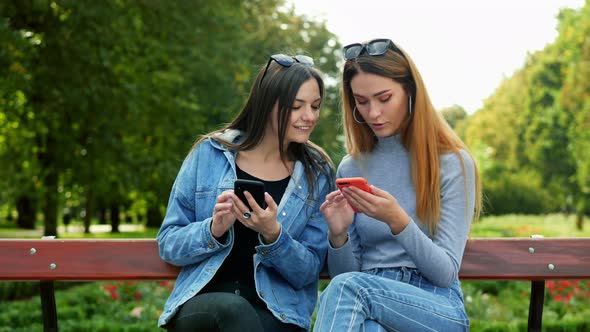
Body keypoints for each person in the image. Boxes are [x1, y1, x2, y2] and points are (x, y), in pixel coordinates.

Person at [313, 38, 482, 332]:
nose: (373, 113)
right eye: (361, 102)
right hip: (367, 297)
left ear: (410, 91)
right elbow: (345, 275)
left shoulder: (452, 162)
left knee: (350, 290)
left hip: (435, 305)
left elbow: (444, 273)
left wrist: (397, 220)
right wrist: (338, 234)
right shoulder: (352, 167)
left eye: (384, 98)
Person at [157, 53, 334, 332]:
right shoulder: (210, 153)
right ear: (267, 104)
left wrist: (274, 235)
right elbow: (168, 244)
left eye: (315, 106)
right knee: (233, 311)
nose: (309, 116)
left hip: (278, 314)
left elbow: (308, 271)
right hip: (206, 308)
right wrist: (213, 229)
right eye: (296, 106)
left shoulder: (318, 173)